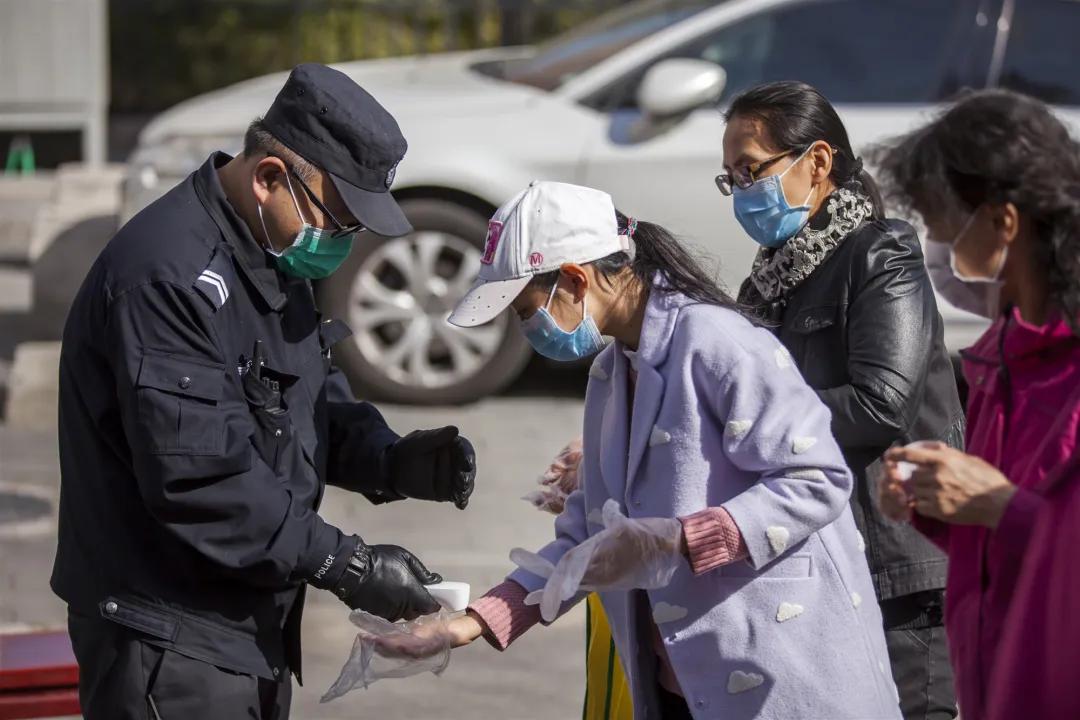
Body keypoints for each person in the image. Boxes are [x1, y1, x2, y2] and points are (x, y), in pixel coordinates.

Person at [51, 64, 477, 720]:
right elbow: (202, 478)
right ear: (269, 178)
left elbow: (301, 393)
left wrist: (386, 459)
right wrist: (349, 564)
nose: (343, 242)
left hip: (242, 623)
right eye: (338, 221)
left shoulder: (268, 246)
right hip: (169, 637)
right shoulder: (167, 280)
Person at [443, 180, 901, 719]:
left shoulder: (717, 342)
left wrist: (681, 540)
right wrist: (469, 623)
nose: (527, 329)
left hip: (784, 682)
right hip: (684, 687)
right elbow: (585, 540)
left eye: (525, 310)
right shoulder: (612, 373)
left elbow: (817, 479)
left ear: (574, 279)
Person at [720, 81, 962, 720]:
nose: (742, 191)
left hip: (898, 567)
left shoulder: (881, 254)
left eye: (751, 170)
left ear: (818, 162)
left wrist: (742, 425)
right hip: (820, 558)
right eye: (730, 179)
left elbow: (880, 407)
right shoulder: (773, 277)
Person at [873, 88, 1080, 720]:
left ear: (1002, 221)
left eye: (940, 219)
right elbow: (1001, 532)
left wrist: (1000, 507)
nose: (932, 240)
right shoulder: (998, 358)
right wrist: (935, 502)